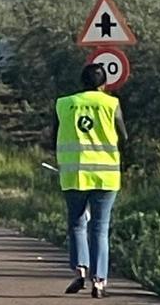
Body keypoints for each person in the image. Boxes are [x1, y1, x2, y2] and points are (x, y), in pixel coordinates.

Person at [50, 63, 128, 298]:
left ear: (81, 83)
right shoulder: (111, 103)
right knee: (100, 228)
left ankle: (81, 270)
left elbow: (54, 135)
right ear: (104, 84)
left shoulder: (64, 104)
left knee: (76, 223)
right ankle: (99, 281)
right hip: (106, 175)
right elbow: (123, 136)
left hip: (74, 174)